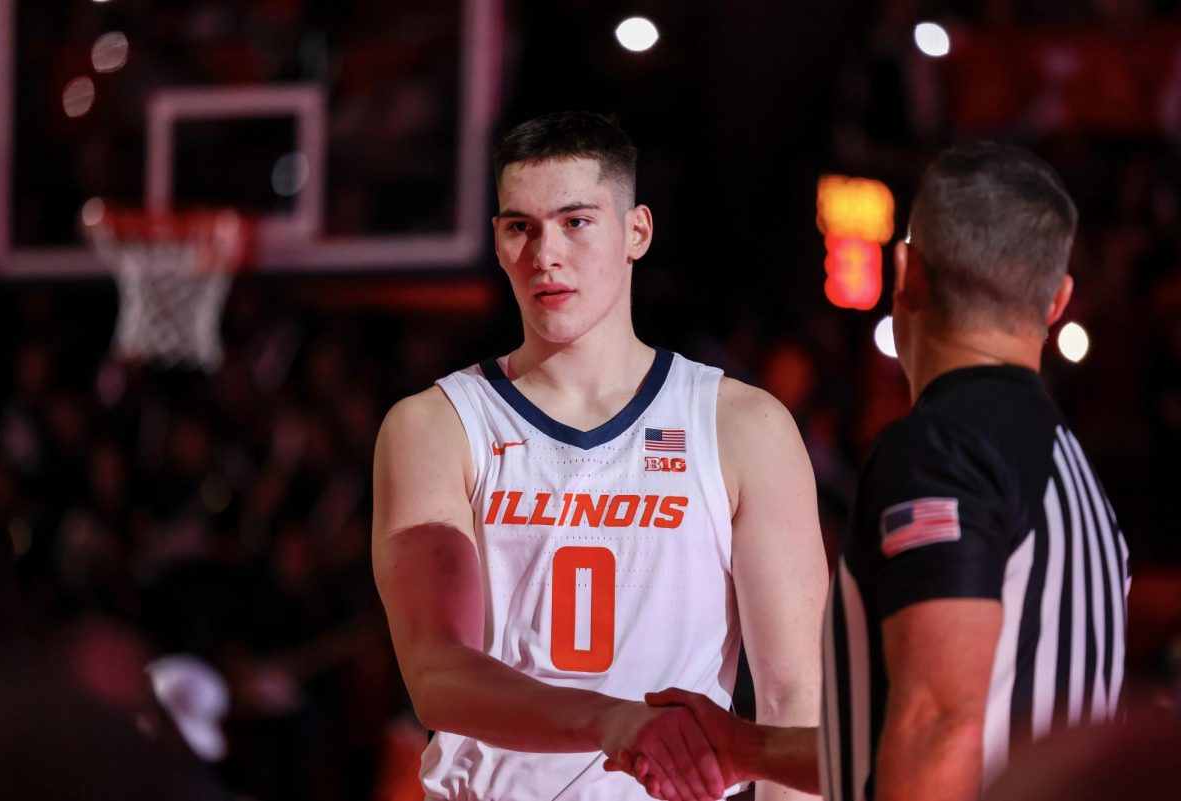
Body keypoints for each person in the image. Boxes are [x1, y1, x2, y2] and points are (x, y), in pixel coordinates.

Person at [614, 142, 1130, 801]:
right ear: (1057, 302)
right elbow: (929, 739)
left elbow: (937, 727)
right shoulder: (1079, 478)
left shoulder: (944, 447)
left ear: (905, 270)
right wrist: (745, 747)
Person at [371, 111, 828, 801]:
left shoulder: (744, 426)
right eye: (520, 226)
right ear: (497, 241)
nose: (545, 253)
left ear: (636, 231)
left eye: (575, 221)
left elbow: (796, 698)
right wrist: (610, 719)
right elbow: (437, 675)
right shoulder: (434, 425)